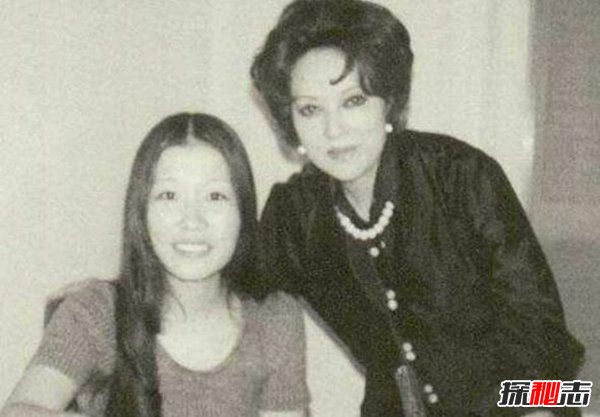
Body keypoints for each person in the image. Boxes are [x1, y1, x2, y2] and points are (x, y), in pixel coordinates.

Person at [251, 0, 584, 416]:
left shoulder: (463, 177)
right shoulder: (293, 217)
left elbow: (545, 338)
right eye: (310, 109)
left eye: (353, 100)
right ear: (292, 124)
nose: (333, 129)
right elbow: (230, 291)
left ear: (389, 103)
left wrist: (538, 410)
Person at [0, 113, 309, 417]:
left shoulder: (274, 318)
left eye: (215, 196)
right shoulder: (98, 311)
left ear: (243, 211)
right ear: (141, 212)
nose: (192, 221)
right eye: (169, 195)